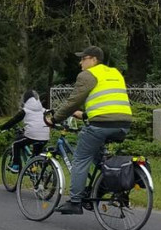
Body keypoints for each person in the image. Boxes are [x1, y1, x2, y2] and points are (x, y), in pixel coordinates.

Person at [48, 46, 132, 214]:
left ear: (93, 59)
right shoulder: (115, 73)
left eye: (83, 58)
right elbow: (109, 102)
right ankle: (104, 187)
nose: (80, 63)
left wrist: (55, 119)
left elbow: (73, 101)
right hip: (123, 123)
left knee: (80, 158)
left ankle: (75, 201)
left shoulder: (88, 75)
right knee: (99, 158)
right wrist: (86, 115)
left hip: (101, 125)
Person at [0, 89, 49, 173]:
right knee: (36, 155)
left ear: (25, 100)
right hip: (45, 135)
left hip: (32, 135)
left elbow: (14, 120)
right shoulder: (43, 109)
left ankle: (16, 166)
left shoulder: (25, 111)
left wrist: (3, 127)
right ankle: (37, 172)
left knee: (16, 144)